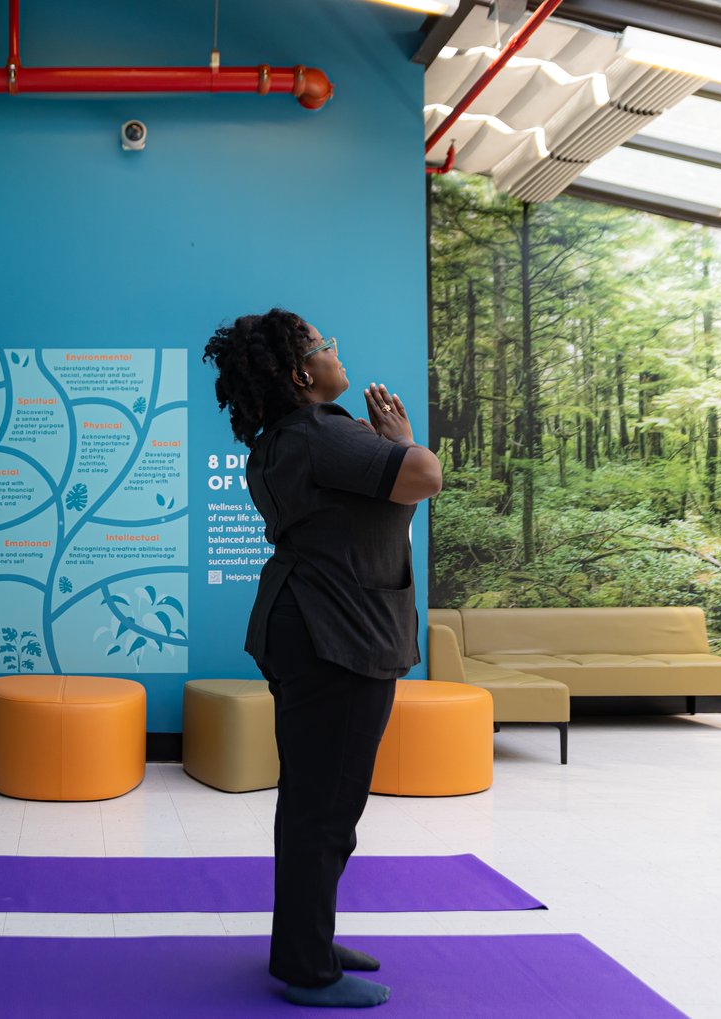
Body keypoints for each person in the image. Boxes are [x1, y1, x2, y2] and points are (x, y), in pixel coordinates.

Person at [202, 308, 443, 1009]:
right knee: (324, 807)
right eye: (323, 345)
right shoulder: (320, 434)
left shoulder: (284, 438)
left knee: (316, 800)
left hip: (306, 625)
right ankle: (307, 965)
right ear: (304, 373)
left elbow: (381, 498)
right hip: (333, 635)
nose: (337, 351)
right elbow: (422, 474)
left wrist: (386, 450)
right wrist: (400, 440)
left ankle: (308, 938)